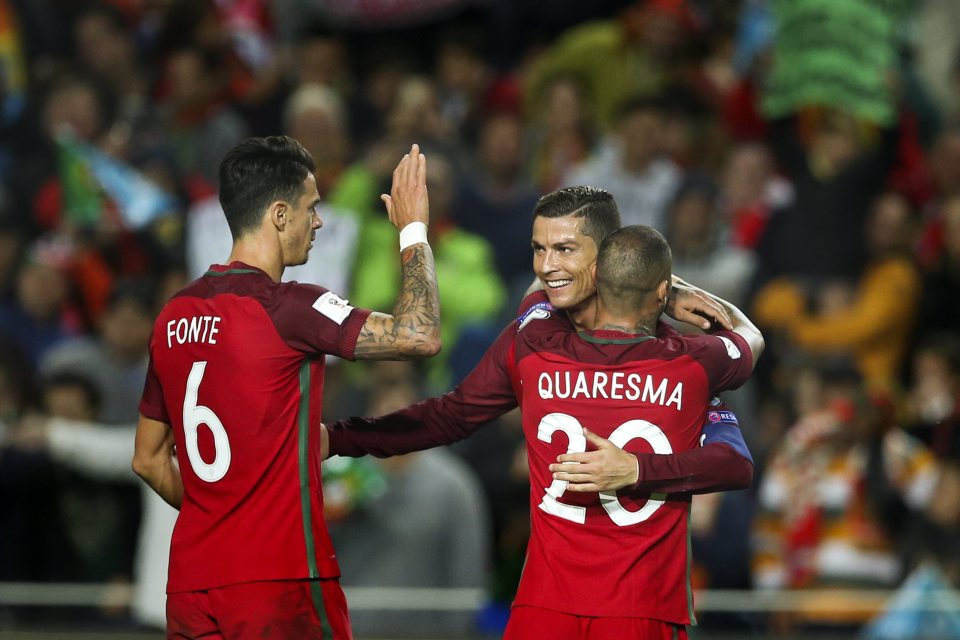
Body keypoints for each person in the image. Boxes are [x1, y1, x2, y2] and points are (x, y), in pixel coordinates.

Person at [325, 187, 758, 634]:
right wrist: (337, 438)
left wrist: (635, 468)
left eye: (564, 249)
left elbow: (449, 413)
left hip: (580, 611)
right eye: (538, 249)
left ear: (605, 258)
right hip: (600, 609)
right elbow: (447, 417)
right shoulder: (685, 359)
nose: (547, 266)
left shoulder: (532, 338)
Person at [132, 137, 441, 639]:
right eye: (311, 208)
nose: (318, 222)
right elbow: (419, 334)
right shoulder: (291, 308)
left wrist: (222, 520)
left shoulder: (172, 315)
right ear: (279, 214)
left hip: (191, 582)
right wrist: (412, 231)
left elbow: (147, 458)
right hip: (279, 583)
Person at [501, 224, 762, 639]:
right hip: (641, 607)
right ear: (659, 292)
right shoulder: (694, 367)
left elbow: (542, 285)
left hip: (543, 607)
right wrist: (638, 470)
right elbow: (750, 336)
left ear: (597, 281)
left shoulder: (537, 346)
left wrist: (600, 273)